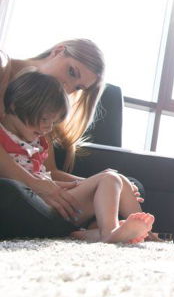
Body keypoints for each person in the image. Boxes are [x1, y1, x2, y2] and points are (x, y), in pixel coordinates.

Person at [1, 72, 153, 243]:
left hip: (54, 202)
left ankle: (148, 236)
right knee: (109, 179)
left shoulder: (37, 141)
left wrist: (84, 183)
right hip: (33, 204)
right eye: (44, 119)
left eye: (53, 122)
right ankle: (110, 233)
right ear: (15, 105)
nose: (48, 128)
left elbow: (48, 175)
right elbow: (21, 183)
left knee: (119, 179)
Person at [0, 39, 107, 222]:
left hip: (29, 189)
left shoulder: (47, 108)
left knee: (122, 184)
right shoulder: (3, 67)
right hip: (12, 188)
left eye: (78, 88)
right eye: (72, 72)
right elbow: (39, 182)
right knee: (12, 192)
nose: (67, 87)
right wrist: (34, 184)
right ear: (58, 51)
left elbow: (48, 172)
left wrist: (96, 184)